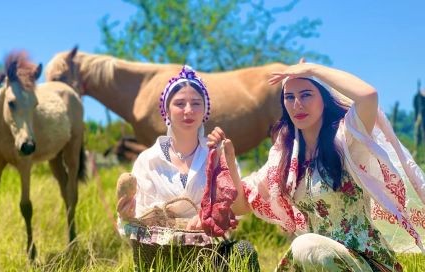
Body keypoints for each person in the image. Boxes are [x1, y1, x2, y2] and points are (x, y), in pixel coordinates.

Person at [208, 62, 425, 271]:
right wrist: (228, 160)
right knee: (307, 248)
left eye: (306, 95)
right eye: (289, 97)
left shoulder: (346, 139)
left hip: (364, 262)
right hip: (315, 260)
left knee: (305, 246)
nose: (297, 104)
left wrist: (313, 69)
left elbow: (368, 96)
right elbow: (240, 205)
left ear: (324, 98)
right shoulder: (284, 158)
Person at [116, 65, 260, 271]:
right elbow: (137, 224)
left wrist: (207, 217)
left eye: (196, 103)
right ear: (166, 110)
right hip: (160, 255)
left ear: (205, 110)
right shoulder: (148, 160)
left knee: (243, 251)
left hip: (209, 251)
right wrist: (127, 216)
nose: (188, 110)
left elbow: (237, 208)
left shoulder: (216, 154)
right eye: (179, 103)